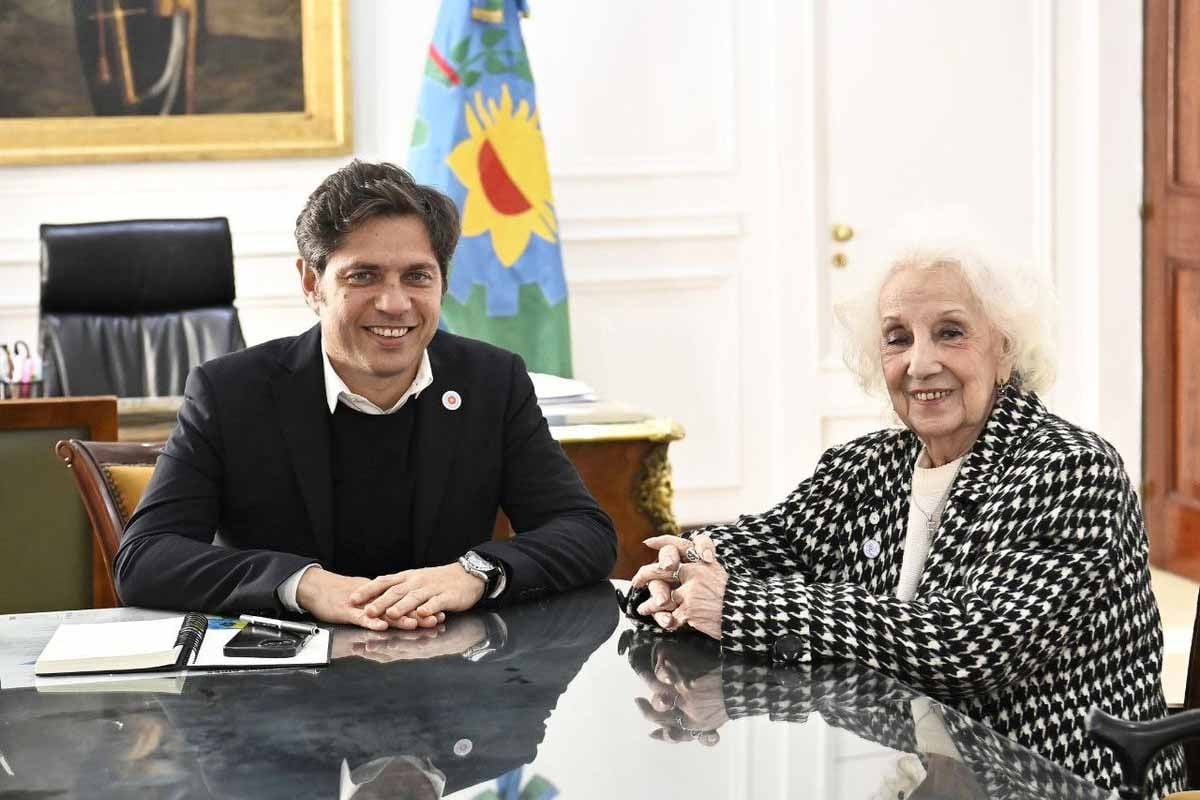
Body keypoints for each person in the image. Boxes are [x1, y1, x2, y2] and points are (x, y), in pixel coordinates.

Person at [627, 245, 1185, 796]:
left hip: (1057, 782)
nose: (920, 364)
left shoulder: (1071, 469)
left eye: (950, 332)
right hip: (914, 774)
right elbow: (774, 543)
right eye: (898, 338)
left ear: (1006, 350)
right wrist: (683, 569)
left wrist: (741, 605)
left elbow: (969, 649)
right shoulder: (866, 465)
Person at [115, 160, 616, 631]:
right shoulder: (231, 392)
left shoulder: (491, 381)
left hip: (450, 675)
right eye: (363, 276)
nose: (395, 303)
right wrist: (303, 585)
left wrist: (474, 573)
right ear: (312, 283)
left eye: (417, 276)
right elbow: (145, 557)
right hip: (284, 679)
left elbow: (585, 531)